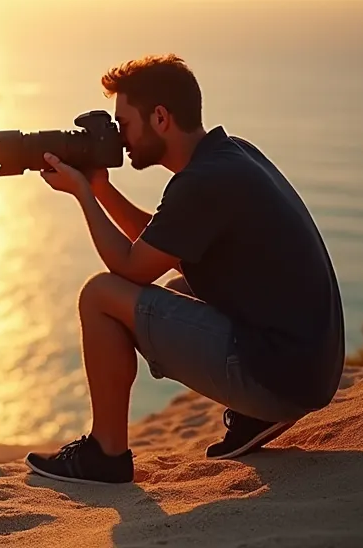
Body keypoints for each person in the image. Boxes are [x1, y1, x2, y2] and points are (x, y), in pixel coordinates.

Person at [23, 53, 345, 485]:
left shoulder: (202, 184)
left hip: (280, 378)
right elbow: (159, 244)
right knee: (179, 281)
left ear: (160, 117)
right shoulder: (230, 157)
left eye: (124, 123)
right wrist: (101, 187)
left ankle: (106, 455)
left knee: (100, 295)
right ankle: (255, 415)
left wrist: (82, 195)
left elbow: (130, 266)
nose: (119, 138)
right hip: (309, 369)